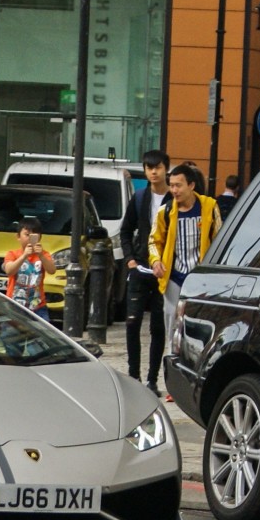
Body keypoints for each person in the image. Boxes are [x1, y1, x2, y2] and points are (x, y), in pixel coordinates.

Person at [149, 162, 223, 342]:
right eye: (172, 185)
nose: (174, 190)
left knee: (198, 322)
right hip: (173, 275)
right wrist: (156, 261)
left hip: (200, 276)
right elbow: (154, 240)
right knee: (172, 321)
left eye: (178, 185)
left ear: (191, 185)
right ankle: (170, 360)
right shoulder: (165, 212)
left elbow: (219, 240)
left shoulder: (209, 207)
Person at [119, 148, 172, 395]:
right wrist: (129, 258)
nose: (153, 172)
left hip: (165, 271)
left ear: (166, 169)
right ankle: (133, 376)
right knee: (132, 323)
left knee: (158, 327)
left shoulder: (175, 199)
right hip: (140, 267)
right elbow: (126, 230)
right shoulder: (140, 198)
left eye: (157, 167)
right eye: (149, 167)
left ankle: (152, 379)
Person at [3, 216, 56, 318]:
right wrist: (24, 256)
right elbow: (9, 271)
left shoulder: (44, 254)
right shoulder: (12, 254)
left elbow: (52, 270)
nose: (29, 238)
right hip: (14, 304)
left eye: (34, 235)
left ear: (39, 237)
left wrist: (40, 255)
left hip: (38, 306)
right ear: (18, 236)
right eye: (27, 235)